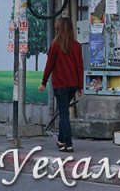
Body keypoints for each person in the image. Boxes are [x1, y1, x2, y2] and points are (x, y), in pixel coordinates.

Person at [38, 17, 84, 152]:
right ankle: (61, 140)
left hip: (60, 85)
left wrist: (43, 82)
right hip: (73, 85)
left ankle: (68, 144)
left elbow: (49, 65)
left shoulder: (55, 45)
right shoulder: (77, 45)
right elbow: (79, 67)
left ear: (58, 28)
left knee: (64, 114)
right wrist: (80, 86)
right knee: (62, 110)